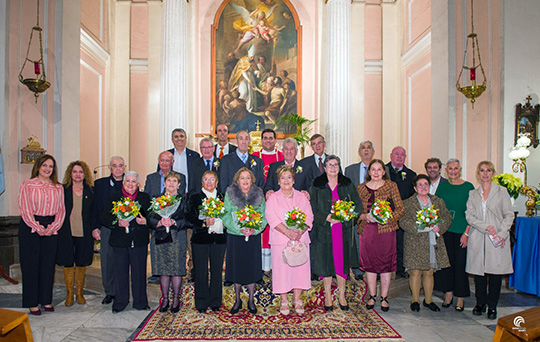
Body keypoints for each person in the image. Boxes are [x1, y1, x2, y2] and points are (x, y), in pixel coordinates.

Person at [309, 155, 362, 312]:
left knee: (341, 263)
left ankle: (342, 296)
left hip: (342, 230)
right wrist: (325, 217)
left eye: (336, 165)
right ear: (324, 168)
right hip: (324, 230)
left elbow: (357, 206)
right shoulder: (317, 184)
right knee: (326, 263)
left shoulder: (347, 184)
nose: (333, 167)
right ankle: (327, 296)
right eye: (330, 165)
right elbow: (311, 207)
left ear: (339, 167)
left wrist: (345, 218)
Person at [465, 161, 514, 320]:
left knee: (495, 274)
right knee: (479, 274)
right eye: (482, 171)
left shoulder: (502, 191)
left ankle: (492, 306)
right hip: (479, 236)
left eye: (488, 170)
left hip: (497, 238)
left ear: (493, 173)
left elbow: (509, 215)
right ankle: (480, 303)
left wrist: (501, 233)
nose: (485, 173)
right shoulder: (473, 193)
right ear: (478, 174)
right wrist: (486, 227)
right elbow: (470, 216)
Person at [18, 154, 66, 315]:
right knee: (31, 266)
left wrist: (53, 227)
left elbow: (61, 211)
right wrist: (36, 226)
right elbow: (24, 209)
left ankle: (46, 300)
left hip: (51, 227)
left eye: (51, 166)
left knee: (48, 266)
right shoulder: (28, 185)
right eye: (45, 165)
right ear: (38, 166)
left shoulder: (58, 187)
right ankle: (32, 302)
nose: (47, 169)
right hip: (30, 228)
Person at [357, 159, 405, 312]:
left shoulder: (391, 186)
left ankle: (384, 297)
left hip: (386, 231)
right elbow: (356, 211)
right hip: (368, 232)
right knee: (370, 264)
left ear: (384, 172)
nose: (376, 172)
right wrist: (364, 216)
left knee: (385, 265)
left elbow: (400, 209)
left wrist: (387, 218)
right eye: (373, 169)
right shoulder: (360, 188)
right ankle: (372, 296)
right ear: (369, 172)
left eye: (379, 169)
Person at [399, 174, 452, 312]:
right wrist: (419, 227)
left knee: (429, 272)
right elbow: (403, 221)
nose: (423, 187)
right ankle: (415, 300)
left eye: (426, 184)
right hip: (414, 241)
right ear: (415, 188)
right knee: (415, 272)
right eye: (420, 185)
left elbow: (447, 217)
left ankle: (429, 300)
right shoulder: (407, 203)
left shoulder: (437, 201)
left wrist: (440, 226)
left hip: (432, 241)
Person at [265, 165, 313, 315]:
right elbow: (271, 217)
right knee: (282, 271)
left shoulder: (301, 197)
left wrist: (299, 231)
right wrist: (287, 232)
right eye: (283, 178)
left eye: (289, 177)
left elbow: (309, 216)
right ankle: (284, 300)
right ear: (278, 181)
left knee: (300, 269)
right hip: (281, 240)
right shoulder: (273, 198)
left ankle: (297, 299)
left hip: (301, 239)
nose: (286, 180)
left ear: (293, 180)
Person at [101, 171, 151, 313]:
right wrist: (118, 222)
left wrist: (145, 221)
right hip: (120, 241)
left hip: (138, 241)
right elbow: (104, 218)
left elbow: (150, 217)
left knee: (139, 272)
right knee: (120, 272)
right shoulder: (115, 197)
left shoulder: (144, 198)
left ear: (138, 184)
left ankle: (140, 302)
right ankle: (120, 302)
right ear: (123, 183)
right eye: (127, 181)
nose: (130, 184)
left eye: (133, 181)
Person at [222, 168, 267, 315]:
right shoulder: (230, 194)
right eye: (242, 178)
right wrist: (238, 229)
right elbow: (226, 215)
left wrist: (255, 228)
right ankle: (237, 299)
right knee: (237, 268)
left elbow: (263, 216)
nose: (245, 180)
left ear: (252, 180)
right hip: (235, 237)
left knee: (251, 268)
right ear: (237, 180)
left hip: (253, 237)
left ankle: (251, 300)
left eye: (248, 177)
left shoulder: (259, 194)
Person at [434, 158, 475, 312]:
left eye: (456, 168)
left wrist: (466, 233)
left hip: (461, 231)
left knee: (460, 265)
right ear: (446, 171)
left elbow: (472, 212)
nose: (453, 171)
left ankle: (461, 298)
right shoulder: (443, 187)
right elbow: (436, 208)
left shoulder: (468, 187)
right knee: (446, 265)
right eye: (450, 168)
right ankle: (448, 295)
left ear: (460, 169)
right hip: (445, 231)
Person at [57, 161, 97, 307]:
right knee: (68, 261)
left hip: (84, 231)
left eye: (80, 171)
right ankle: (69, 294)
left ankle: (79, 293)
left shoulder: (91, 190)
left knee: (81, 261)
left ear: (84, 174)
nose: (78, 174)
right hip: (66, 231)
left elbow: (94, 213)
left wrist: (95, 228)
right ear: (70, 173)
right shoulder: (62, 189)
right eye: (75, 171)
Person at [147, 171, 188, 313]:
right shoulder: (156, 199)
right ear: (164, 183)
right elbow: (149, 217)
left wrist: (174, 221)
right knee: (163, 269)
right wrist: (158, 221)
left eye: (174, 181)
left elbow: (188, 220)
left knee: (176, 270)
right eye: (168, 181)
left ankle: (176, 299)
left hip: (177, 237)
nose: (171, 184)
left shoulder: (183, 200)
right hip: (160, 238)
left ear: (179, 184)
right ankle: (165, 299)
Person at [187, 171, 226, 313]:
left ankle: (215, 301)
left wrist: (225, 224)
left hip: (219, 239)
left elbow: (228, 214)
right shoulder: (195, 197)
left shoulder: (222, 197)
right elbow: (189, 216)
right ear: (202, 182)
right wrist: (203, 222)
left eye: (212, 180)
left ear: (216, 182)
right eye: (206, 180)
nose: (209, 182)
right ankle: (201, 303)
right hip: (201, 239)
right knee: (201, 271)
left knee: (217, 271)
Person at [92, 156, 126, 305]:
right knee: (107, 260)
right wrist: (95, 227)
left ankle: (122, 290)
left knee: (123, 261)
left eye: (120, 165)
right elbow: (94, 207)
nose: (118, 168)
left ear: (124, 167)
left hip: (125, 228)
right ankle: (109, 292)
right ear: (109, 168)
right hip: (106, 227)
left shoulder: (130, 182)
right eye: (114, 166)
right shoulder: (99, 184)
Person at [251, 128, 284, 273]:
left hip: (277, 201)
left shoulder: (282, 157)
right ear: (261, 140)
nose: (268, 140)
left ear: (275, 140)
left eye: (271, 138)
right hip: (258, 199)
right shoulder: (254, 157)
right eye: (265, 138)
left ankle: (275, 267)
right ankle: (261, 266)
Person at [345, 140, 375, 280]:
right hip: (357, 213)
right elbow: (347, 192)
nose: (366, 150)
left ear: (373, 151)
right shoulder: (350, 170)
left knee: (374, 242)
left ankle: (374, 269)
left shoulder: (381, 168)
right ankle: (358, 270)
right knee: (357, 241)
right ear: (359, 152)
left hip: (375, 213)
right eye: (363, 148)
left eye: (369, 148)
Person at [385, 146, 416, 279]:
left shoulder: (411, 175)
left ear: (405, 157)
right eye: (397, 154)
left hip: (403, 214)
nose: (399, 157)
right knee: (385, 243)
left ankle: (400, 268)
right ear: (391, 155)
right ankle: (385, 268)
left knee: (401, 243)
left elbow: (412, 196)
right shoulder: (383, 171)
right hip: (385, 215)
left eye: (402, 155)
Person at [164, 128, 201, 195]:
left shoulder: (194, 155)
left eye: (181, 136)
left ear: (186, 139)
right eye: (176, 137)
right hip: (170, 194)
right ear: (172, 140)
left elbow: (197, 177)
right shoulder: (166, 154)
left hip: (189, 193)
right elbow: (161, 174)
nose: (179, 139)